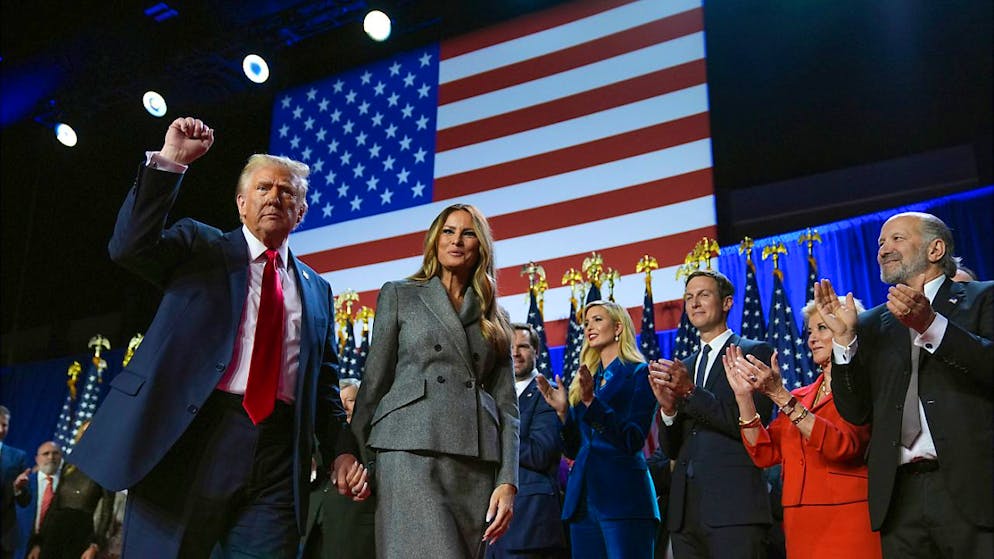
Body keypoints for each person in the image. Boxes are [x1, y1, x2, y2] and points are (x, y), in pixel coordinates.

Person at [68, 116, 367, 558]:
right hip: (190, 435)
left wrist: (341, 451)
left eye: (287, 192)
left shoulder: (317, 290)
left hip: (278, 457)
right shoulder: (200, 248)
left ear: (301, 213)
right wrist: (170, 162)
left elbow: (323, 387)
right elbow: (128, 247)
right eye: (263, 188)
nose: (274, 197)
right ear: (241, 204)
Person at [814, 211, 993, 558]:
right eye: (881, 242)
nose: (884, 249)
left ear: (936, 248)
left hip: (970, 489)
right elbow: (856, 411)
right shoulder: (869, 323)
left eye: (897, 238)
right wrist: (845, 344)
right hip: (899, 498)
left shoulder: (983, 298)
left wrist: (930, 325)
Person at [351, 203, 519, 558]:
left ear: (481, 246)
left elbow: (508, 407)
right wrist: (352, 453)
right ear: (434, 240)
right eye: (448, 231)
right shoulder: (400, 294)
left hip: (474, 461)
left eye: (468, 233)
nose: (456, 240)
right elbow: (374, 382)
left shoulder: (495, 314)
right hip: (409, 448)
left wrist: (508, 480)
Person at [722, 297, 882, 558]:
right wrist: (744, 398)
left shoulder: (863, 389)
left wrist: (780, 396)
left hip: (847, 516)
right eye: (809, 331)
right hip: (799, 521)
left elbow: (841, 446)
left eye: (823, 328)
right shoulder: (801, 395)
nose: (812, 339)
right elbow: (763, 453)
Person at [648, 269, 774, 559]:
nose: (694, 303)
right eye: (689, 297)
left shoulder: (753, 353)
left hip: (735, 508)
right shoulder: (685, 366)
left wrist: (691, 393)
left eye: (703, 295)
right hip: (685, 514)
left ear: (727, 303)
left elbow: (751, 426)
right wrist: (668, 411)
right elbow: (672, 449)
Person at [536, 300, 659, 558]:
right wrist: (563, 414)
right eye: (586, 322)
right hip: (582, 503)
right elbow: (573, 448)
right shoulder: (587, 379)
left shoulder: (639, 374)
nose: (589, 327)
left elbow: (633, 439)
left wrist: (592, 403)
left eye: (597, 319)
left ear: (618, 328)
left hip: (623, 500)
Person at [487, 324, 566, 559]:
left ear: (536, 351)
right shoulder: (488, 395)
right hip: (488, 525)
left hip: (529, 524)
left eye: (522, 346)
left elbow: (541, 453)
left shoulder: (547, 393)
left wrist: (495, 438)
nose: (514, 353)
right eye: (509, 347)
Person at [24, 426, 113, 559]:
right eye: (84, 433)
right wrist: (38, 544)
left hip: (81, 537)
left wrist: (94, 545)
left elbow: (107, 511)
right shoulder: (69, 465)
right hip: (53, 535)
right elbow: (54, 505)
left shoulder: (105, 468)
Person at [320, 379, 376, 559]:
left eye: (350, 400)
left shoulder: (373, 438)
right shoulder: (324, 437)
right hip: (313, 530)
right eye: (339, 402)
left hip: (352, 534)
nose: (344, 407)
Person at [13, 442, 63, 557]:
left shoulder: (67, 486)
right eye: (46, 454)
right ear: (37, 459)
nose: (51, 457)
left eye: (55, 453)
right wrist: (17, 489)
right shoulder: (24, 482)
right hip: (20, 547)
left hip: (52, 548)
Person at [0, 406, 30, 559]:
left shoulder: (18, 457)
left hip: (3, 537)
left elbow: (25, 501)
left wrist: (18, 489)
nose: (1, 429)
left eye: (4, 425)